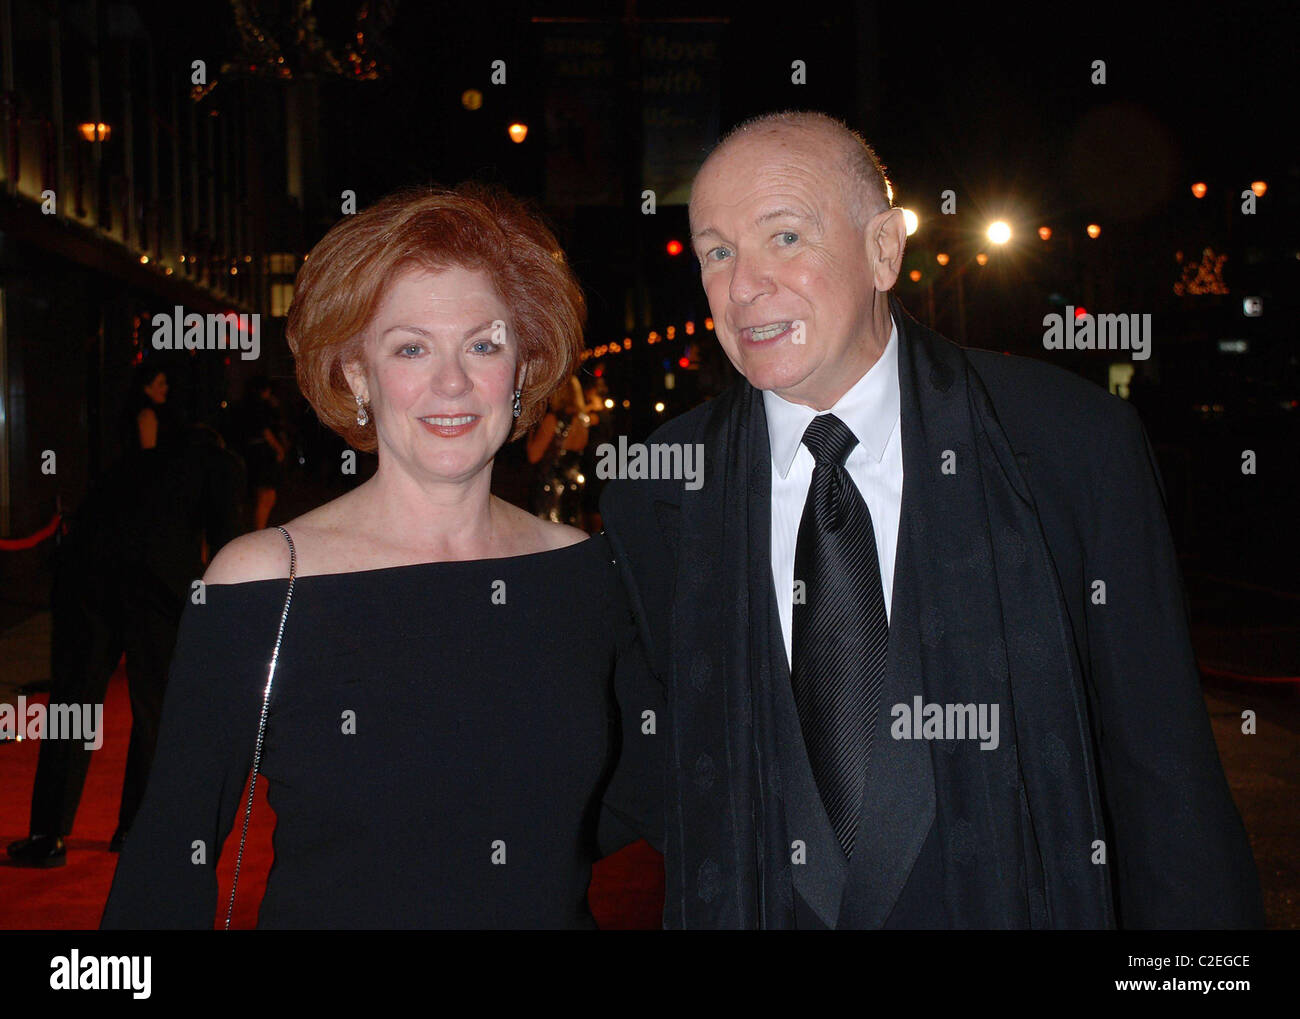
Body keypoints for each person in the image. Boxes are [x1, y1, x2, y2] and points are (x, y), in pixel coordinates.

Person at [598, 111, 1264, 929]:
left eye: (784, 239)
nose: (744, 287)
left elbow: (1165, 779)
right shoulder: (658, 492)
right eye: (718, 252)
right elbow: (623, 769)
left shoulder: (1066, 446)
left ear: (884, 249)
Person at [100, 184, 661, 929]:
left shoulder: (584, 573)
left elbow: (652, 792)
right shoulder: (261, 582)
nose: (452, 381)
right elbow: (170, 855)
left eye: (484, 344)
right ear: (358, 374)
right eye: (411, 347)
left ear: (522, 367)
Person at [7, 423, 243, 866]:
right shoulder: (221, 465)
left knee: (72, 707)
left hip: (87, 580)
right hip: (155, 589)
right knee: (153, 710)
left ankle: (48, 835)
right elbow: (228, 542)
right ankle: (134, 829)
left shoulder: (138, 460)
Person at [526, 375, 592, 526]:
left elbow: (533, 456)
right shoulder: (583, 421)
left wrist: (531, 433)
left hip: (551, 487)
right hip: (573, 485)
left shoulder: (553, 420)